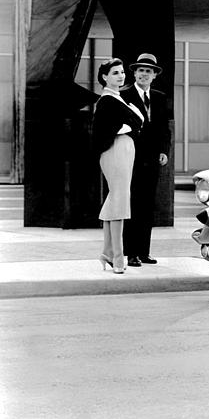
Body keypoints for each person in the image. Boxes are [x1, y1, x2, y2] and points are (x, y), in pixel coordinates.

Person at [92, 58, 144, 274]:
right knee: (120, 199)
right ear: (104, 77)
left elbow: (137, 121)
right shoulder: (106, 101)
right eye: (115, 73)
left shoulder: (118, 99)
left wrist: (130, 123)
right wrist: (128, 124)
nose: (121, 76)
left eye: (122, 72)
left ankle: (108, 252)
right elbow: (123, 125)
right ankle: (117, 255)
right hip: (115, 151)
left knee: (117, 198)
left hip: (123, 150)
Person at [121, 53, 170, 267]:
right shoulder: (124, 94)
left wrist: (164, 150)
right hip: (131, 158)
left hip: (152, 159)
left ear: (154, 76)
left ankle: (144, 252)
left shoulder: (159, 97)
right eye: (140, 70)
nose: (144, 74)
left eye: (148, 71)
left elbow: (164, 129)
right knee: (133, 204)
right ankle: (130, 253)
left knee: (147, 206)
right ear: (134, 73)